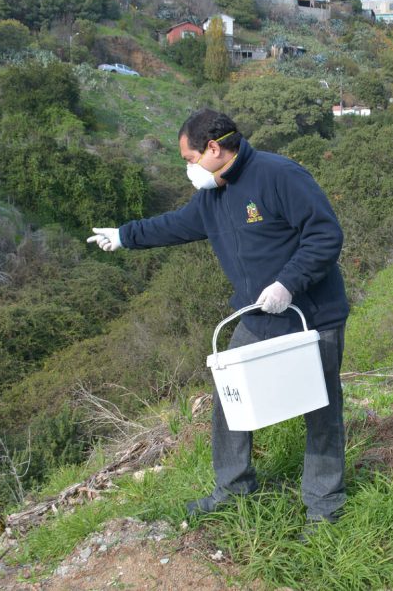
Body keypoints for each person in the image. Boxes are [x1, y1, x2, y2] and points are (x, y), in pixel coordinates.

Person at [87, 108, 349, 530]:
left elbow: (325, 234)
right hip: (256, 317)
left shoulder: (279, 175)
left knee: (320, 407)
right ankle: (234, 487)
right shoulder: (212, 196)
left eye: (189, 159)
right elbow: (172, 225)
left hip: (311, 317)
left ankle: (324, 504)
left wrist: (288, 283)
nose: (188, 169)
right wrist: (123, 236)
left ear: (213, 148)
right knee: (230, 395)